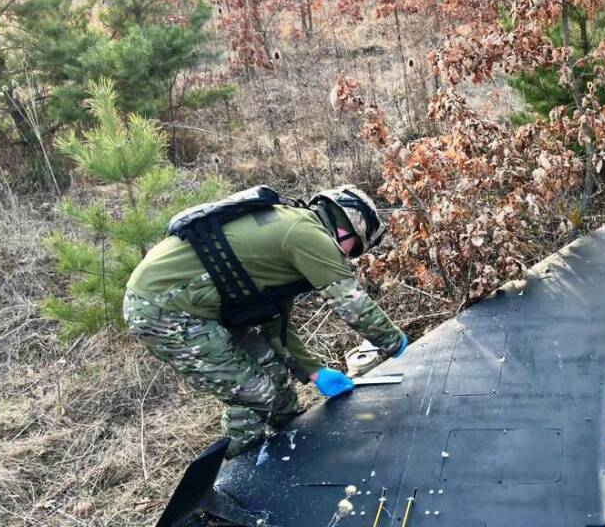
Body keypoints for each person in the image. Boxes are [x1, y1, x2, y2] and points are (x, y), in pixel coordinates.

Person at [123, 185, 408, 456]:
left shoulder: (292, 230)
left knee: (275, 378)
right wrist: (395, 344)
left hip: (201, 302)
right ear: (347, 227)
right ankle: (238, 471)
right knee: (254, 393)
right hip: (163, 306)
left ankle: (291, 446)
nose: (348, 256)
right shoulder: (307, 234)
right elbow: (351, 303)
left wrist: (314, 372)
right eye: (355, 248)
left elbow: (277, 322)